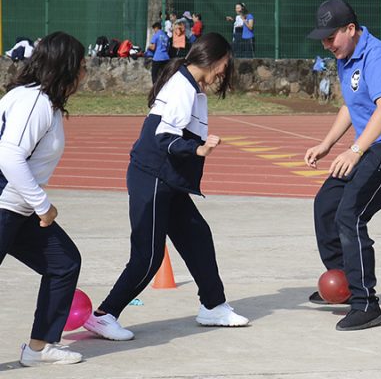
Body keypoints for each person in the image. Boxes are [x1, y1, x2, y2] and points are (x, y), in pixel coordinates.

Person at [84, 33, 249, 342]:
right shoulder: (182, 88)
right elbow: (163, 137)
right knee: (147, 257)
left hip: (166, 179)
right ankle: (104, 316)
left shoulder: (189, 85)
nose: (224, 72)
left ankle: (213, 305)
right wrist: (198, 150)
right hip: (153, 177)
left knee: (197, 235)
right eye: (225, 65)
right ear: (214, 60)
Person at [304, 0, 381, 331]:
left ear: (351, 30)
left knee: (351, 214)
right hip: (373, 145)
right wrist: (327, 145)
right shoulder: (347, 56)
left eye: (332, 38)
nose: (328, 46)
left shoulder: (377, 56)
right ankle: (343, 284)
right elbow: (350, 105)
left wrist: (354, 151)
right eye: (324, 40)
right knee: (326, 204)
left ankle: (366, 303)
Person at [0, 32, 86, 366]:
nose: (84, 75)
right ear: (65, 67)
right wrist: (43, 205)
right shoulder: (33, 101)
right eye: (81, 67)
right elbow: (8, 156)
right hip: (6, 205)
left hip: (16, 207)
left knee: (63, 263)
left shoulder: (39, 101)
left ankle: (39, 348)